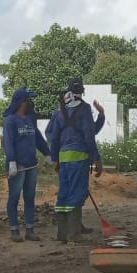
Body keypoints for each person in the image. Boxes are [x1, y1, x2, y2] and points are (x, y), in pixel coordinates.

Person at [44, 78, 105, 243]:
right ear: (83, 92)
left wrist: (55, 158)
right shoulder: (84, 109)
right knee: (77, 194)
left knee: (63, 194)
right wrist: (96, 159)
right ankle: (74, 235)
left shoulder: (60, 111)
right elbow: (89, 135)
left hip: (64, 159)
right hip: (79, 158)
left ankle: (62, 234)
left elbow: (52, 135)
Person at [1, 88, 51, 242]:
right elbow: (8, 142)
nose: (30, 102)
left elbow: (38, 138)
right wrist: (12, 162)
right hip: (18, 165)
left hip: (31, 166)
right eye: (28, 99)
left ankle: (30, 230)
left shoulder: (30, 119)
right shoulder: (10, 120)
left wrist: (47, 153)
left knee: (30, 197)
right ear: (21, 101)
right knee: (14, 197)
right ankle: (14, 230)